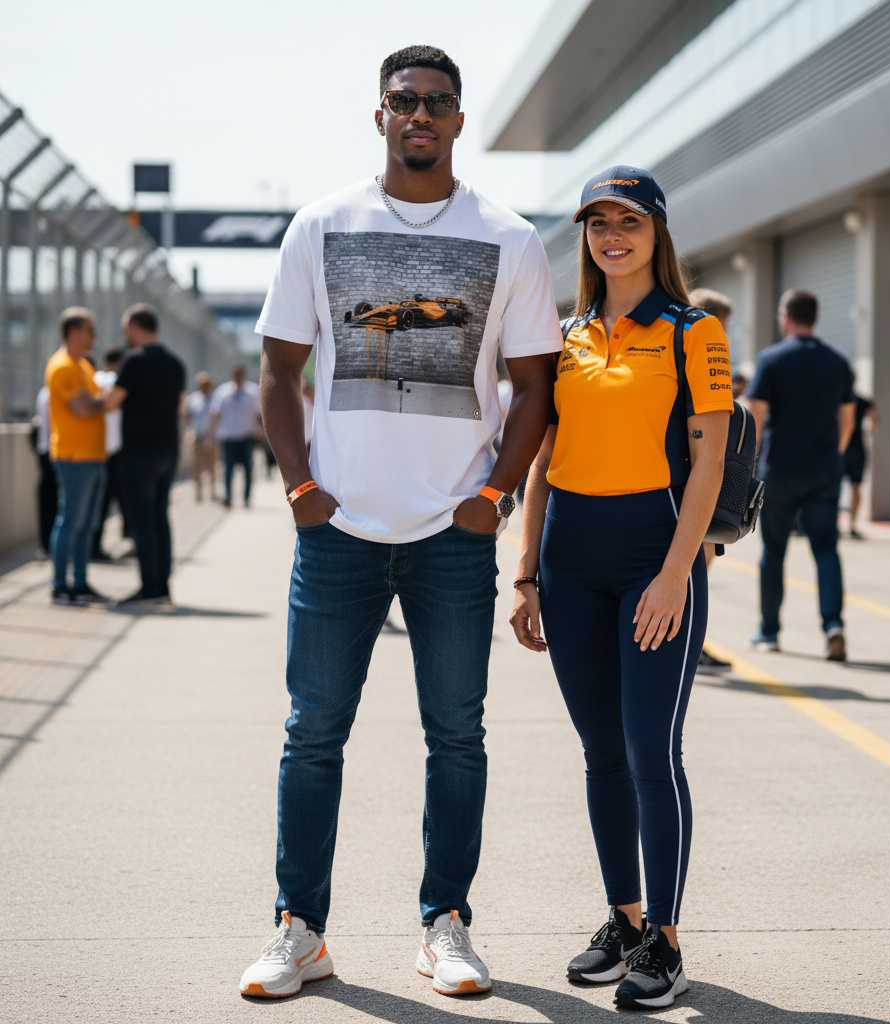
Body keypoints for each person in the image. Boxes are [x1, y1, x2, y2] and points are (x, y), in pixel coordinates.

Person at [239, 45, 561, 1001]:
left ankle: (446, 925)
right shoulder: (322, 224)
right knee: (313, 733)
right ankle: (300, 930)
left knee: (456, 736)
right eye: (404, 100)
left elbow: (536, 386)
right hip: (337, 531)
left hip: (453, 536)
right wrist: (300, 486)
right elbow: (278, 372)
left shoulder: (511, 238)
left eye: (439, 102)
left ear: (460, 120)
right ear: (378, 115)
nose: (420, 113)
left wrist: (497, 497)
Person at [511, 167, 732, 1010]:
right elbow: (541, 464)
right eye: (597, 222)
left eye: (628, 222)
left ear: (657, 233)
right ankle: (624, 918)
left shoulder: (693, 330)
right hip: (569, 560)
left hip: (654, 556)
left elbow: (709, 459)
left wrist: (676, 574)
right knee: (600, 752)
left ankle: (666, 942)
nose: (612, 235)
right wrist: (527, 573)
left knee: (650, 752)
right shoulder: (562, 334)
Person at [747, 289, 854, 661]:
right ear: (815, 318)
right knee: (826, 548)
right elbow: (848, 418)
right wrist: (834, 454)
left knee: (773, 551)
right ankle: (833, 626)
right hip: (824, 470)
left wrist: (750, 461)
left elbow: (755, 413)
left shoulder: (772, 359)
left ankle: (769, 631)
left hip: (779, 469)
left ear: (787, 317)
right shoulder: (837, 362)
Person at [106, 304, 186, 604]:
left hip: (138, 452)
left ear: (137, 327)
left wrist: (89, 401)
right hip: (168, 448)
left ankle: (149, 586)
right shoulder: (175, 363)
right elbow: (180, 407)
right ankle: (162, 585)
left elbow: (112, 402)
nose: (125, 335)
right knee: (159, 516)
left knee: (140, 519)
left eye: (127, 328)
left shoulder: (133, 361)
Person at [44, 308, 108, 604]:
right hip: (73, 457)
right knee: (70, 522)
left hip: (92, 456)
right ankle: (59, 585)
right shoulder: (62, 367)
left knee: (85, 525)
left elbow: (94, 402)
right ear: (73, 332)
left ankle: (79, 582)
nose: (93, 336)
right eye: (89, 330)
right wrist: (102, 402)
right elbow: (83, 407)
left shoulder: (82, 365)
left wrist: (98, 402)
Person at [689, 287, 735, 674]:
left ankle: (693, 644)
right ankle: (692, 646)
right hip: (690, 488)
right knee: (693, 570)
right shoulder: (696, 349)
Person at [92, 347, 126, 560]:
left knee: (94, 503)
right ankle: (97, 546)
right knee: (106, 503)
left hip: (94, 448)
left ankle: (92, 545)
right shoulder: (116, 380)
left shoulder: (92, 378)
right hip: (114, 450)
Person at [210, 365, 261, 508]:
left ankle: (246, 497)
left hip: (246, 436)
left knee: (248, 470)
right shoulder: (222, 392)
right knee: (227, 470)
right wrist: (210, 435)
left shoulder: (252, 391)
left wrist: (260, 429)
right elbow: (215, 414)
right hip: (228, 437)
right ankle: (228, 496)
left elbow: (259, 414)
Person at [842, 375, 878, 539]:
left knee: (833, 487)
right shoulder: (863, 400)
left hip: (841, 448)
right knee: (856, 487)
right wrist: (867, 432)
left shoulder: (838, 399)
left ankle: (835, 526)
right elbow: (875, 419)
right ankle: (852, 524)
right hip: (857, 447)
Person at [33, 384, 58, 558]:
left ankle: (47, 546)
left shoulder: (45, 392)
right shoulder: (52, 393)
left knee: (48, 500)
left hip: (46, 451)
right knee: (51, 501)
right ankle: (48, 546)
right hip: (53, 452)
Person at [185, 371, 217, 501]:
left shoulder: (216, 399)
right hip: (197, 436)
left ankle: (213, 491)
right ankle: (198, 492)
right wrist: (188, 431)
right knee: (196, 466)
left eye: (206, 384)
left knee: (212, 466)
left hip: (213, 437)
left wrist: (211, 436)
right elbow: (187, 417)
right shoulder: (193, 399)